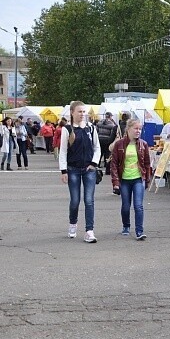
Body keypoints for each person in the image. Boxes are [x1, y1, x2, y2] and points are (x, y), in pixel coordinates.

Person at [59, 100, 101, 243]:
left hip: (89, 169)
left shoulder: (91, 128)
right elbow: (63, 151)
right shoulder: (67, 129)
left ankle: (89, 231)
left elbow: (97, 147)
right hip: (73, 169)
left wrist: (94, 163)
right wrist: (63, 171)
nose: (82, 114)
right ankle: (73, 223)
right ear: (72, 112)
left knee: (89, 200)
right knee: (75, 200)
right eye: (79, 111)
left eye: (84, 111)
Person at [110, 118, 153, 240]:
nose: (138, 131)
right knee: (125, 205)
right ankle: (126, 225)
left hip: (138, 178)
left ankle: (139, 231)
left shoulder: (143, 144)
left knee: (138, 205)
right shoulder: (119, 144)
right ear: (128, 129)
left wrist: (147, 179)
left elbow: (147, 163)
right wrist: (116, 182)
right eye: (135, 128)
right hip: (124, 180)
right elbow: (114, 164)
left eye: (140, 129)